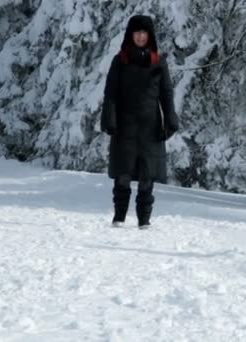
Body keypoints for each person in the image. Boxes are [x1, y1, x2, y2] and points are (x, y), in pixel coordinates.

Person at [100, 15, 179, 229]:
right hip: (125, 128)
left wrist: (170, 119)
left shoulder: (158, 62)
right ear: (130, 35)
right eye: (137, 32)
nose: (140, 36)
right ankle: (119, 218)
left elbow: (167, 94)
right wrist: (109, 118)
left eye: (144, 32)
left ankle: (144, 220)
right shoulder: (120, 60)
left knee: (147, 177)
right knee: (123, 176)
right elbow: (111, 93)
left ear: (150, 36)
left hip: (150, 128)